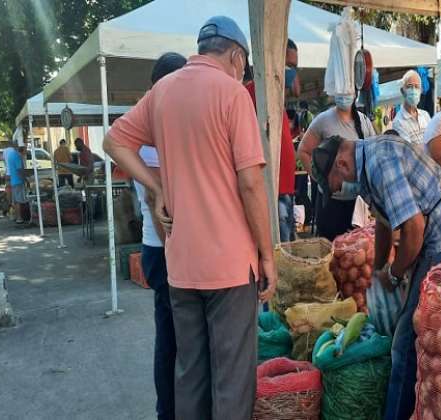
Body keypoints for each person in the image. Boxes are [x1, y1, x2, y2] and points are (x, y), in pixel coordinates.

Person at [103, 16, 277, 420]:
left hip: (180, 264)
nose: (242, 72)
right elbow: (251, 184)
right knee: (231, 383)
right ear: (236, 55)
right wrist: (267, 256)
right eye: (244, 65)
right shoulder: (233, 95)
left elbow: (114, 140)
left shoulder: (163, 91)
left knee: (191, 374)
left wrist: (157, 185)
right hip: (231, 268)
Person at [310, 134, 441, 420]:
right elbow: (385, 225)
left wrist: (394, 272)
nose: (339, 192)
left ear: (341, 163)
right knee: (416, 333)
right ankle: (419, 404)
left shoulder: (380, 163)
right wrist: (378, 272)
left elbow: (413, 228)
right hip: (440, 242)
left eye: (336, 186)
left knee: (405, 340)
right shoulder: (367, 168)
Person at [131, 51, 187, 420]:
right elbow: (155, 199)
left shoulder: (161, 125)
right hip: (164, 249)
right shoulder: (150, 130)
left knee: (181, 340)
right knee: (171, 342)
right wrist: (177, 253)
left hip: (172, 249)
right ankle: (168, 412)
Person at [298, 91, 375, 240]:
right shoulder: (323, 120)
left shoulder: (364, 122)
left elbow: (371, 156)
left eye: (348, 91)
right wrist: (320, 179)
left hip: (357, 205)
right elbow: (303, 151)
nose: (344, 94)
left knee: (354, 252)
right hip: (331, 204)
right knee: (330, 250)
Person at [245, 39, 298, 242]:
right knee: (278, 254)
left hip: (285, 189)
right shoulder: (251, 94)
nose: (292, 71)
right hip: (270, 193)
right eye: (289, 65)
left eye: (294, 66)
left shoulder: (277, 96)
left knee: (286, 251)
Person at [392, 70, 431, 146]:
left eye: (417, 87)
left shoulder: (425, 115)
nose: (413, 90)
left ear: (421, 91)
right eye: (409, 86)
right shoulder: (398, 122)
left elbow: (433, 140)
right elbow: (410, 151)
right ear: (402, 91)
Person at [5, 144, 28, 224]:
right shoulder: (17, 157)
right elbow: (20, 170)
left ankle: (15, 216)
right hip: (18, 181)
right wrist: (25, 180)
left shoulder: (11, 154)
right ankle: (19, 218)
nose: (26, 151)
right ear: (22, 149)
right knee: (18, 201)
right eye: (26, 149)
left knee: (15, 201)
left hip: (13, 181)